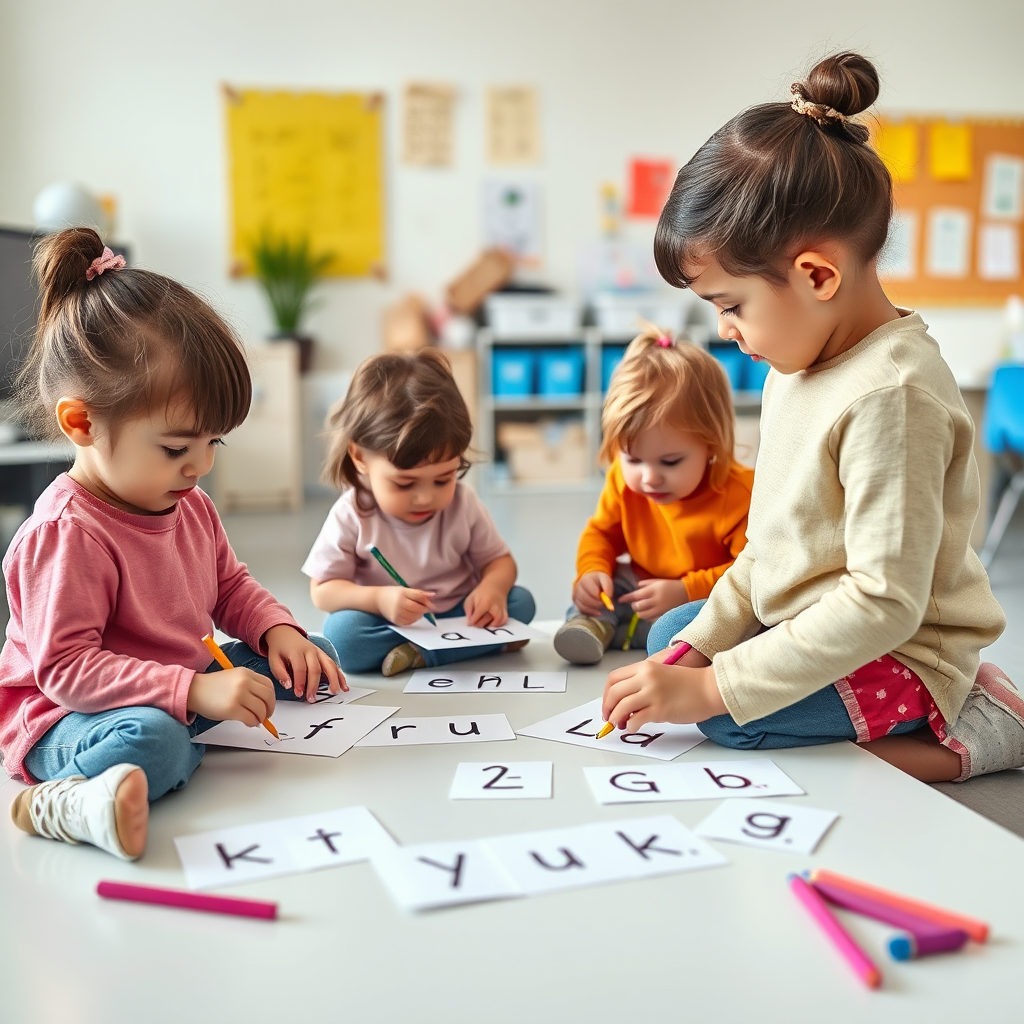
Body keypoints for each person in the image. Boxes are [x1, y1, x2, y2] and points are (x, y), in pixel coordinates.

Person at [602, 51, 1024, 784]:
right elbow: (767, 550)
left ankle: (982, 733)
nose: (728, 331)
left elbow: (884, 605)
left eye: (732, 306)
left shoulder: (893, 397)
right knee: (672, 634)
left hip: (901, 650)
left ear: (817, 276)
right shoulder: (797, 363)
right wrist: (698, 651)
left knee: (725, 721)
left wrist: (710, 688)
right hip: (809, 617)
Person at [1, 228, 345, 861]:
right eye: (176, 448)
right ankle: (59, 801)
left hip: (175, 681)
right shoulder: (65, 534)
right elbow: (66, 671)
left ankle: (189, 725)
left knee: (310, 653)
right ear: (82, 423)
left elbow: (230, 586)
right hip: (70, 719)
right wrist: (193, 694)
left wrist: (275, 633)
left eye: (213, 444)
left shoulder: (188, 503)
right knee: (156, 739)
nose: (200, 467)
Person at [304, 349, 535, 676]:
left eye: (443, 479)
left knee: (521, 603)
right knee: (342, 635)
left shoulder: (463, 503)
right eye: (404, 484)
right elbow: (324, 591)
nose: (425, 497)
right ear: (359, 457)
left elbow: (499, 562)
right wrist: (381, 600)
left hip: (459, 613)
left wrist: (492, 590)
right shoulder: (352, 513)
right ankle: (473, 646)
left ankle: (421, 656)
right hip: (390, 621)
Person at [554, 327, 753, 664]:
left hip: (700, 597)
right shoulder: (622, 478)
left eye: (670, 461)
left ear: (711, 445)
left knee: (716, 620)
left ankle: (630, 633)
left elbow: (749, 574)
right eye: (632, 459)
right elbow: (602, 532)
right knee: (606, 585)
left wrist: (686, 591)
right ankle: (594, 624)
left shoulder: (739, 492)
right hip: (641, 584)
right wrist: (591, 571)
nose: (649, 477)